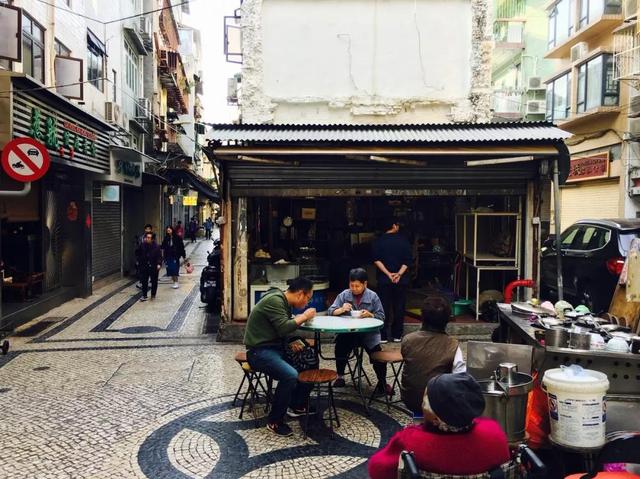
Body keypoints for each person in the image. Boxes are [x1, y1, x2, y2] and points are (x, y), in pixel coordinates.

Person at [368, 373, 510, 479]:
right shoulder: (495, 433)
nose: (422, 405)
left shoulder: (410, 441)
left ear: (436, 418)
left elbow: (377, 469)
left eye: (424, 401)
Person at [244, 277, 317, 437]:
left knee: (309, 359)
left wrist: (292, 342)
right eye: (308, 298)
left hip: (275, 347)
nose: (307, 303)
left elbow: (278, 330)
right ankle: (275, 420)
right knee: (290, 375)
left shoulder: (283, 302)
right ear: (300, 294)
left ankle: (296, 404)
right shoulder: (275, 300)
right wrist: (304, 316)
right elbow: (284, 327)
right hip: (259, 351)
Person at [327, 268, 392, 396]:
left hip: (368, 334)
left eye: (358, 286)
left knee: (377, 353)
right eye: (352, 285)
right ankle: (340, 376)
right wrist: (341, 309)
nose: (354, 288)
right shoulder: (344, 295)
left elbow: (382, 317)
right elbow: (330, 311)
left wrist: (370, 314)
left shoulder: (373, 296)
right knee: (340, 346)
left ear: (365, 284)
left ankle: (382, 383)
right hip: (348, 333)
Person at [400, 296, 466, 413]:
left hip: (409, 399)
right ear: (447, 320)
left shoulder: (408, 339)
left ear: (422, 317)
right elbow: (460, 379)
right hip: (437, 403)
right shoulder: (453, 345)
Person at [372, 219, 412, 343]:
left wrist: (388, 274)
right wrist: (398, 274)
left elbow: (376, 260)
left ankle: (383, 335)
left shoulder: (379, 241)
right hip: (401, 280)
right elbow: (407, 261)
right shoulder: (404, 241)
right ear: (394, 226)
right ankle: (397, 335)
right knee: (399, 307)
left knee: (383, 306)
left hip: (384, 279)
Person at [138, 232, 162, 301]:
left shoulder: (156, 247)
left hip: (153, 266)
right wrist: (139, 261)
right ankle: (144, 295)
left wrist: (159, 264)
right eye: (146, 237)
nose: (147, 239)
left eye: (149, 238)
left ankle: (153, 295)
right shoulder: (142, 245)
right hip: (144, 266)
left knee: (154, 281)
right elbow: (138, 253)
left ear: (152, 239)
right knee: (144, 281)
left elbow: (159, 257)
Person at [135, 224, 155, 289]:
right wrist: (138, 258)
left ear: (151, 230)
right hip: (142, 257)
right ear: (145, 229)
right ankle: (141, 282)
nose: (147, 230)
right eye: (146, 229)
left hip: (150, 256)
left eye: (149, 229)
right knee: (142, 270)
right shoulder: (141, 238)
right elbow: (138, 247)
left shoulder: (153, 237)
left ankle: (150, 282)